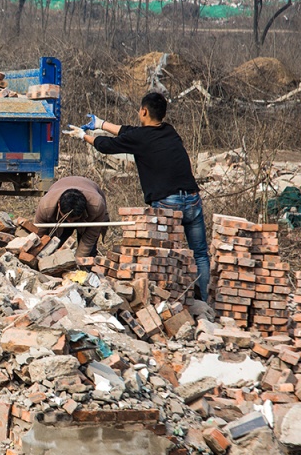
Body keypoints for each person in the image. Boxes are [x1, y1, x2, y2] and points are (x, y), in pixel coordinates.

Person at [63, 92, 210, 301]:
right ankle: (203, 302)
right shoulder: (169, 131)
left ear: (144, 111)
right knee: (201, 254)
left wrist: (83, 136)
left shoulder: (140, 138)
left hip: (168, 202)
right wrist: (101, 124)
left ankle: (165, 301)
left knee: (163, 255)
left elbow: (107, 146)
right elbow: (130, 132)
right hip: (193, 200)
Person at [34, 176, 109, 258]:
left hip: (88, 218)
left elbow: (90, 237)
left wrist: (79, 261)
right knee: (54, 245)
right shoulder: (46, 205)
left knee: (89, 253)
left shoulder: (96, 206)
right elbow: (39, 233)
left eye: (74, 219)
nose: (70, 222)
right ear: (59, 204)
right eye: (68, 219)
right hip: (58, 217)